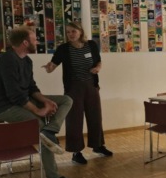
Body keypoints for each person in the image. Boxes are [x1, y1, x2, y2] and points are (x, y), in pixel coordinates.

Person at [0, 26, 78, 178]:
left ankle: (51, 130)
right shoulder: (7, 60)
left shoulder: (27, 61)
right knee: (40, 126)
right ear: (25, 42)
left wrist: (46, 101)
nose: (37, 42)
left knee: (66, 100)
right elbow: (15, 96)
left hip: (23, 100)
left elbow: (31, 88)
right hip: (6, 107)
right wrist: (37, 110)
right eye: (35, 39)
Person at [43, 21, 113, 165]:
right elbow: (53, 66)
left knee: (95, 116)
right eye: (68, 32)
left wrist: (97, 68)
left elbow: (98, 62)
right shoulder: (63, 49)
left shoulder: (91, 45)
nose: (71, 34)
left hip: (91, 86)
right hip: (73, 88)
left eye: (73, 31)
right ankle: (76, 152)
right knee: (74, 120)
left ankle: (98, 146)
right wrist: (49, 68)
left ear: (80, 31)